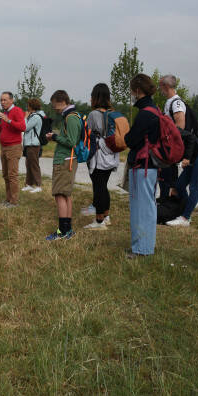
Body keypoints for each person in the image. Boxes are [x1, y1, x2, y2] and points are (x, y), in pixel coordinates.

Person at [124, 74, 160, 258]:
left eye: (131, 90)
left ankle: (143, 249)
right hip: (149, 165)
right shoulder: (154, 110)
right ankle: (142, 245)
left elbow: (130, 139)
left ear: (137, 90)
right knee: (145, 206)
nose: (131, 93)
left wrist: (126, 136)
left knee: (142, 208)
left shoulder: (145, 113)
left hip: (143, 166)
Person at [45, 90, 81, 240]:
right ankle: (67, 230)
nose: (55, 109)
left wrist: (54, 137)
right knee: (65, 194)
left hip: (65, 160)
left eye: (55, 106)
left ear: (61, 102)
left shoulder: (71, 118)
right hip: (68, 159)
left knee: (60, 195)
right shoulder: (72, 116)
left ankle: (63, 231)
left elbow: (72, 142)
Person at [83, 83, 120, 230]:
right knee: (103, 186)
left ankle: (99, 221)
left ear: (95, 97)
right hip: (111, 154)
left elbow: (88, 133)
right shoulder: (113, 113)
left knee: (98, 187)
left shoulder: (93, 114)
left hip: (98, 155)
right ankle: (106, 216)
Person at [167, 129, 198, 227]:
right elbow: (171, 164)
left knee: (194, 187)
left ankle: (185, 218)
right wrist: (172, 185)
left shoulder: (171, 129)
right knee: (179, 185)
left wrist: (187, 158)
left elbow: (191, 138)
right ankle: (185, 211)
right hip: (193, 158)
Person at [0, 92, 26, 207]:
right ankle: (8, 199)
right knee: (6, 175)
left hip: (13, 147)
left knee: (12, 175)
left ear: (11, 100)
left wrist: (8, 120)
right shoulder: (5, 113)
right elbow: (3, 130)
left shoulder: (17, 111)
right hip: (4, 147)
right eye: (1, 100)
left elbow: (22, 127)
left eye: (5, 100)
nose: (2, 102)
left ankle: (14, 202)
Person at [157, 74, 186, 199]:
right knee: (164, 177)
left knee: (170, 178)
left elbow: (180, 125)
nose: (159, 89)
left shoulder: (176, 102)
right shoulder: (170, 102)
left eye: (160, 86)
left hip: (171, 148)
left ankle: (172, 204)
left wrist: (169, 144)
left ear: (166, 86)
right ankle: (164, 201)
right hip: (167, 147)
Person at [22, 98, 44, 194]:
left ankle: (38, 185)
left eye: (28, 105)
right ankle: (29, 184)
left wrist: (25, 118)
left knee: (34, 164)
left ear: (31, 106)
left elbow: (25, 128)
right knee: (28, 164)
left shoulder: (35, 117)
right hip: (29, 144)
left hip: (33, 144)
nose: (27, 107)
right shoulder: (33, 116)